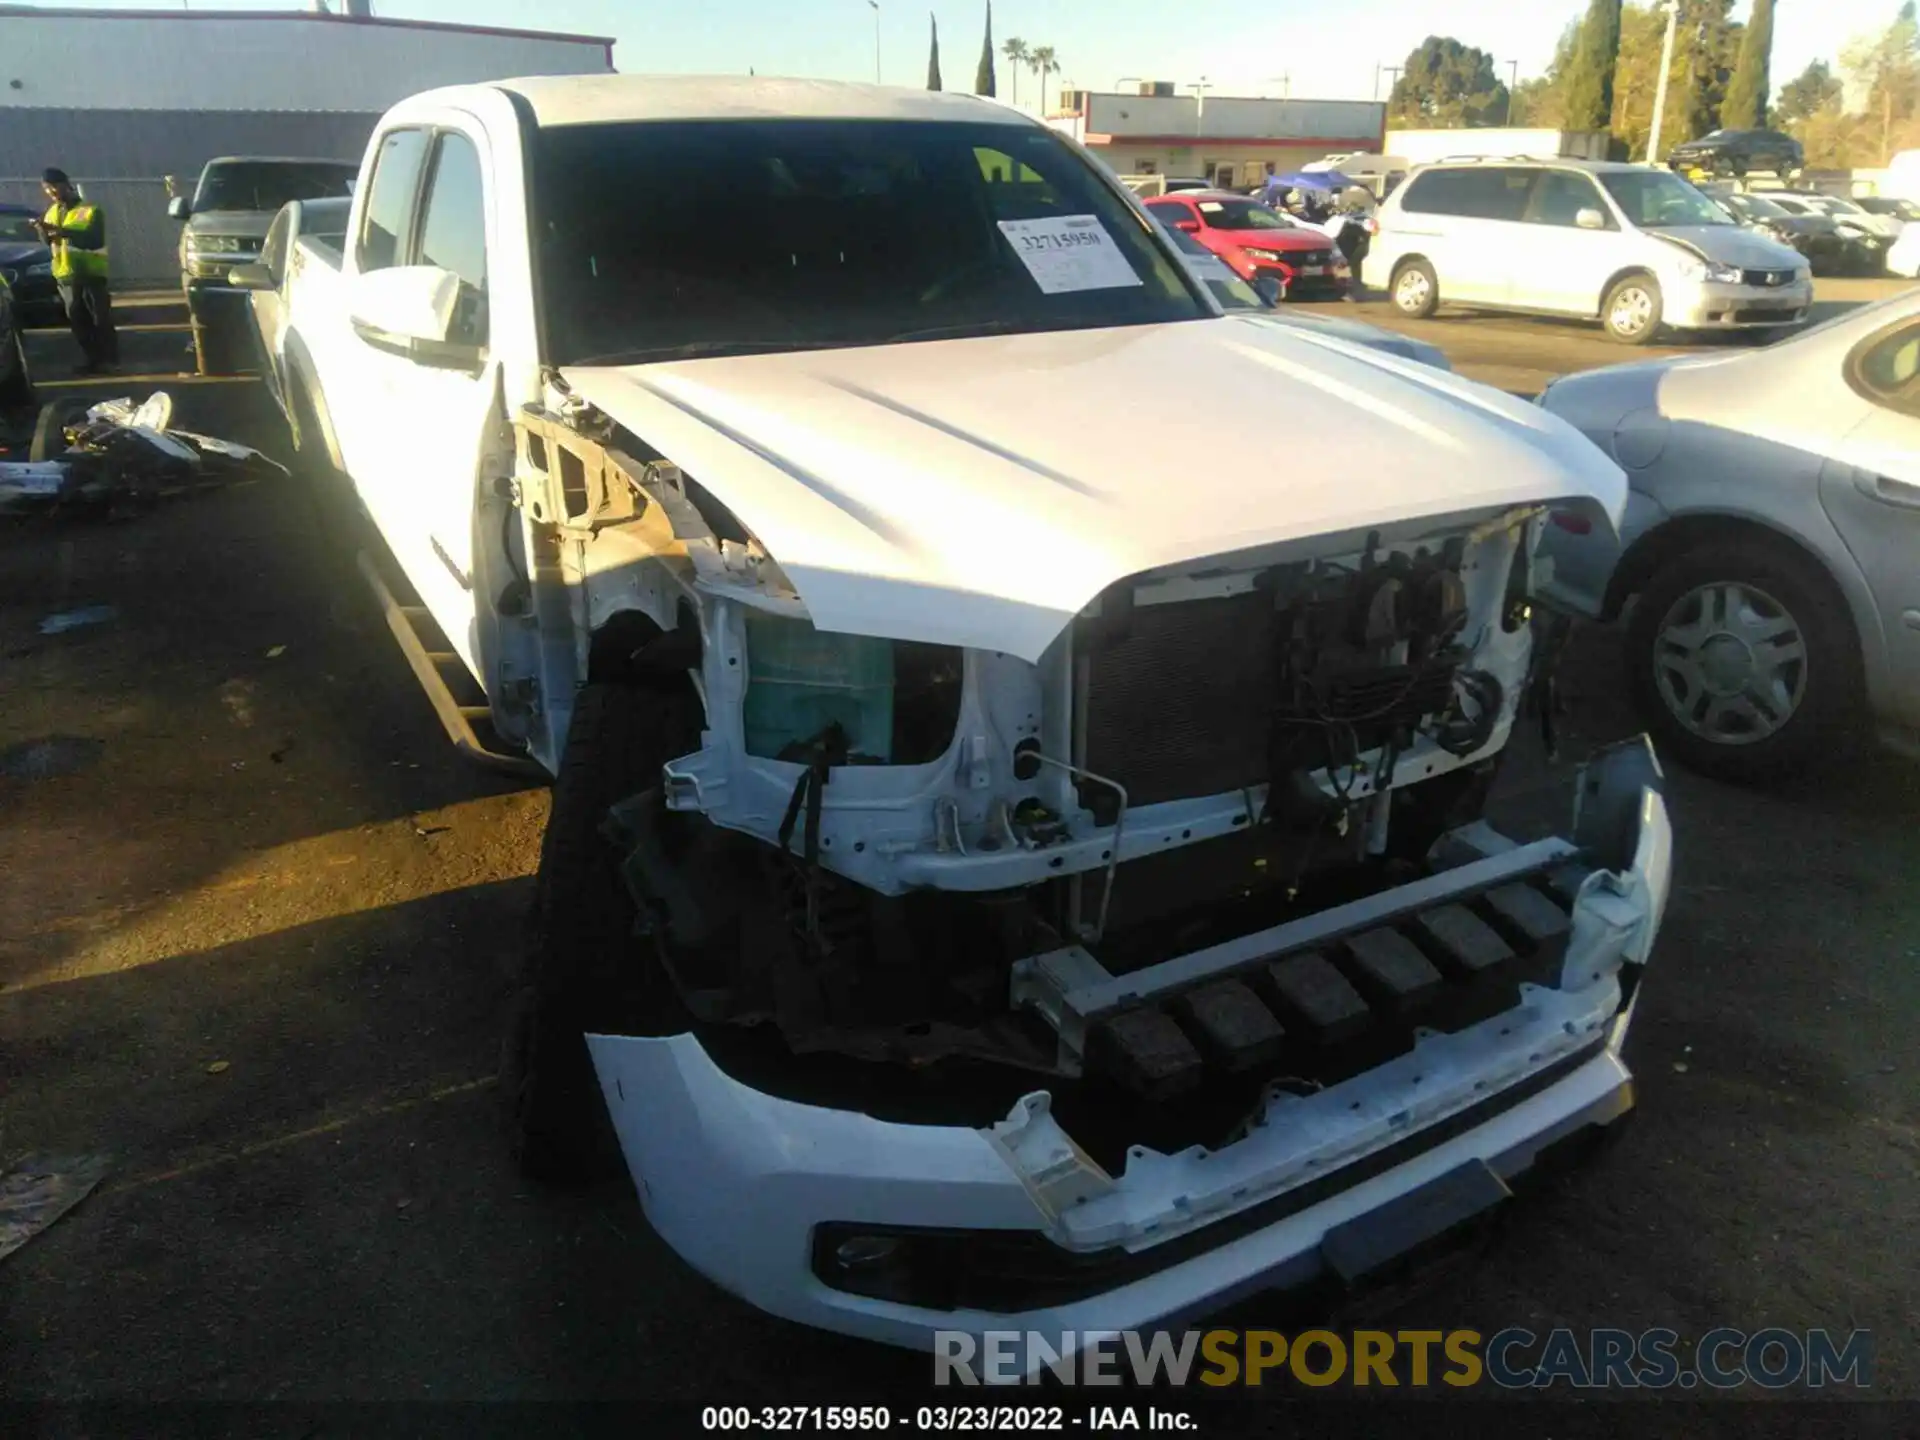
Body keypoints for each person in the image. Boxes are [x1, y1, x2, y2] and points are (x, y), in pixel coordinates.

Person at [33, 167, 118, 375]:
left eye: (55, 186)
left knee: (100, 319)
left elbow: (93, 239)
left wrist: (61, 231)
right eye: (47, 188)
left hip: (90, 273)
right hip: (66, 275)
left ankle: (110, 361)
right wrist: (42, 230)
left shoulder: (90, 209)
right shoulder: (51, 212)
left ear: (66, 184)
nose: (52, 191)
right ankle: (92, 360)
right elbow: (49, 241)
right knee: (78, 322)